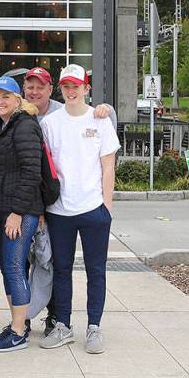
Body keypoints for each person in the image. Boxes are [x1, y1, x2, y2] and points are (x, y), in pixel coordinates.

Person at [39, 64, 119, 354]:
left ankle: (94, 327)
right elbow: (46, 167)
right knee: (61, 270)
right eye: (66, 86)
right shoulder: (50, 123)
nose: (71, 91)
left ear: (86, 88)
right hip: (60, 211)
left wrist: (106, 207)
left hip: (93, 209)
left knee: (95, 271)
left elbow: (108, 166)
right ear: (60, 89)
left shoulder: (100, 120)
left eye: (76, 86)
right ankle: (63, 325)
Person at [0, 76, 43, 353]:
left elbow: (32, 172)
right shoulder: (5, 124)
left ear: (18, 99)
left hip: (19, 210)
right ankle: (17, 323)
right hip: (1, 208)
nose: (0, 101)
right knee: (8, 269)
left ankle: (19, 332)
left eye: (5, 96)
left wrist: (17, 212)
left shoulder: (24, 125)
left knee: (14, 267)